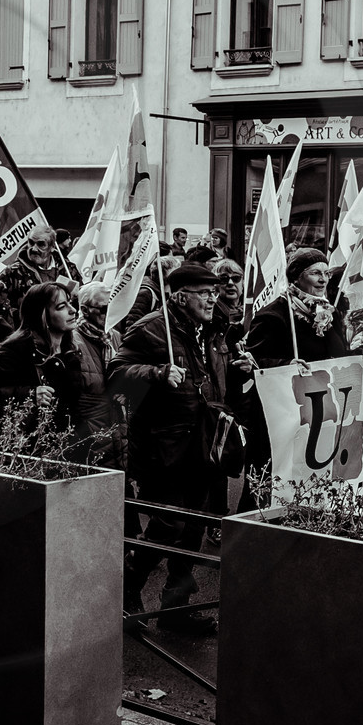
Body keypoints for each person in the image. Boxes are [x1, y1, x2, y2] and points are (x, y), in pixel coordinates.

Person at [108, 263, 235, 632]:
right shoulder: (152, 328)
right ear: (180, 295)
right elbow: (116, 376)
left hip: (204, 444)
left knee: (193, 527)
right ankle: (127, 590)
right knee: (167, 526)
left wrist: (239, 370)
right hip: (165, 446)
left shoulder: (212, 329)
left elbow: (212, 379)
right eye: (203, 292)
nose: (213, 297)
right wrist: (155, 373)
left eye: (214, 291)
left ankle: (175, 607)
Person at [0, 282, 112, 450]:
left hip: (60, 451)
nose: (72, 310)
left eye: (70, 302)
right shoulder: (19, 348)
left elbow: (71, 407)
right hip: (23, 452)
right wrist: (29, 394)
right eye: (61, 306)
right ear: (42, 314)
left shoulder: (70, 350)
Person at [246, 249, 349, 367]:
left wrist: (361, 352)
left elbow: (340, 354)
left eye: (326, 273)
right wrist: (287, 364)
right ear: (296, 278)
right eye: (315, 273)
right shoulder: (273, 315)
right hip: (290, 384)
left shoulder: (328, 312)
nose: (323, 280)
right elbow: (252, 362)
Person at [2, 229, 58, 301]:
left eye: (41, 244)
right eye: (31, 243)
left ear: (52, 247)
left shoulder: (67, 269)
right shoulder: (13, 272)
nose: (34, 249)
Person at [76, 280, 122, 357]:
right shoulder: (73, 340)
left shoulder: (115, 335)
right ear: (85, 310)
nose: (109, 313)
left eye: (111, 307)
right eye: (104, 309)